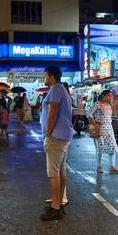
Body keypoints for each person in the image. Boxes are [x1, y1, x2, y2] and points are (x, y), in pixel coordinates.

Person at [40, 66, 74, 221]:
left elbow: (52, 113)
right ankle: (59, 203)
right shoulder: (63, 90)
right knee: (61, 170)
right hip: (64, 135)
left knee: (53, 173)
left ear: (52, 77)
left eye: (45, 76)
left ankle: (55, 208)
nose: (44, 78)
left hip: (56, 136)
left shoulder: (55, 90)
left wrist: (48, 133)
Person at [89, 90, 118, 173]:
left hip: (109, 128)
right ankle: (98, 166)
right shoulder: (97, 104)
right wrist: (95, 124)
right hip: (100, 129)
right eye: (108, 96)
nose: (109, 97)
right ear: (103, 95)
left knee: (112, 146)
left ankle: (112, 166)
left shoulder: (109, 106)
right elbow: (89, 114)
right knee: (100, 148)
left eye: (110, 96)